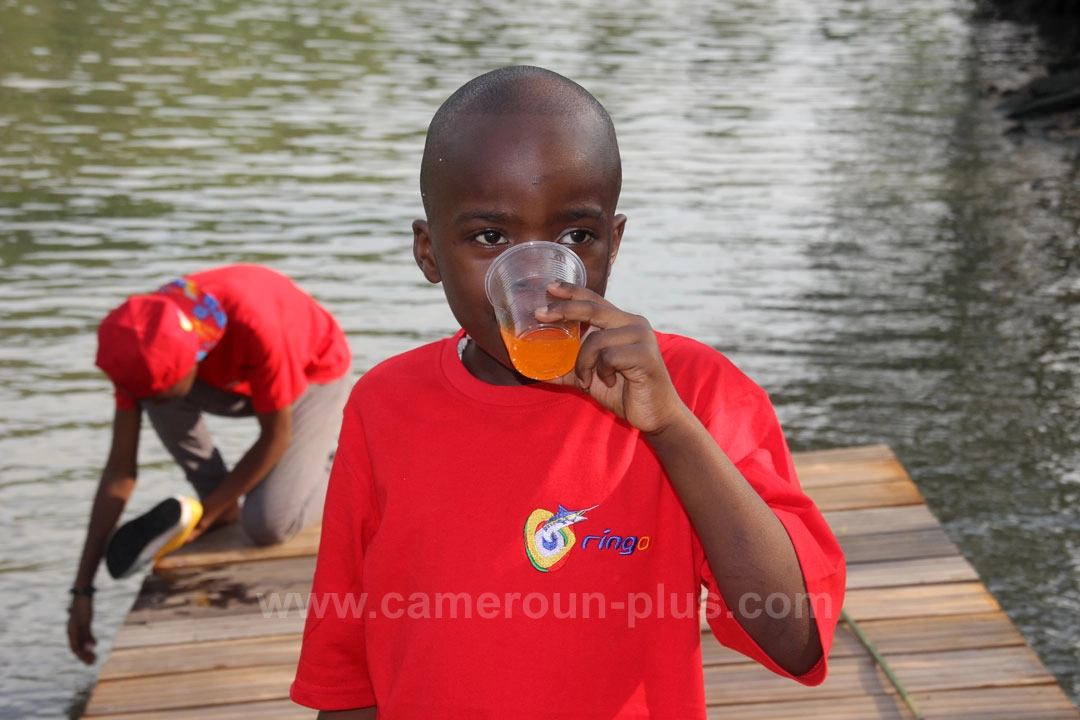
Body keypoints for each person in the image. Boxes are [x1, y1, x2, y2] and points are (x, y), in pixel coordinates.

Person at [290, 66, 846, 719]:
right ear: (429, 252)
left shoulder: (693, 392)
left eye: (574, 236)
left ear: (613, 241)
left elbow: (795, 637)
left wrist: (671, 428)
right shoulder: (384, 404)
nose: (537, 281)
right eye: (491, 237)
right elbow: (345, 672)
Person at [67, 263, 352, 665]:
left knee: (269, 524)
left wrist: (202, 521)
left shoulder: (256, 324)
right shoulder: (135, 347)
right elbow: (119, 472)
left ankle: (341, 461)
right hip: (229, 380)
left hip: (312, 374)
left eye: (164, 390)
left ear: (191, 361)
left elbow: (275, 437)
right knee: (160, 401)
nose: (153, 403)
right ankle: (219, 503)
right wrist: (82, 590)